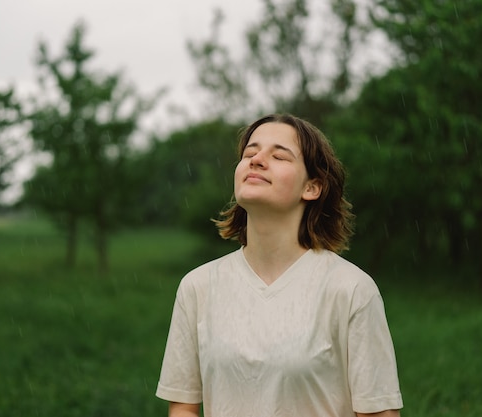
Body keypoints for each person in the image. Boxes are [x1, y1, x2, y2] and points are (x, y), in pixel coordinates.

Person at [156, 113, 403, 417]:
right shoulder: (197, 287)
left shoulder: (351, 290)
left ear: (312, 188)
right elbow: (183, 408)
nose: (257, 160)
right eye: (250, 153)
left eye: (279, 156)